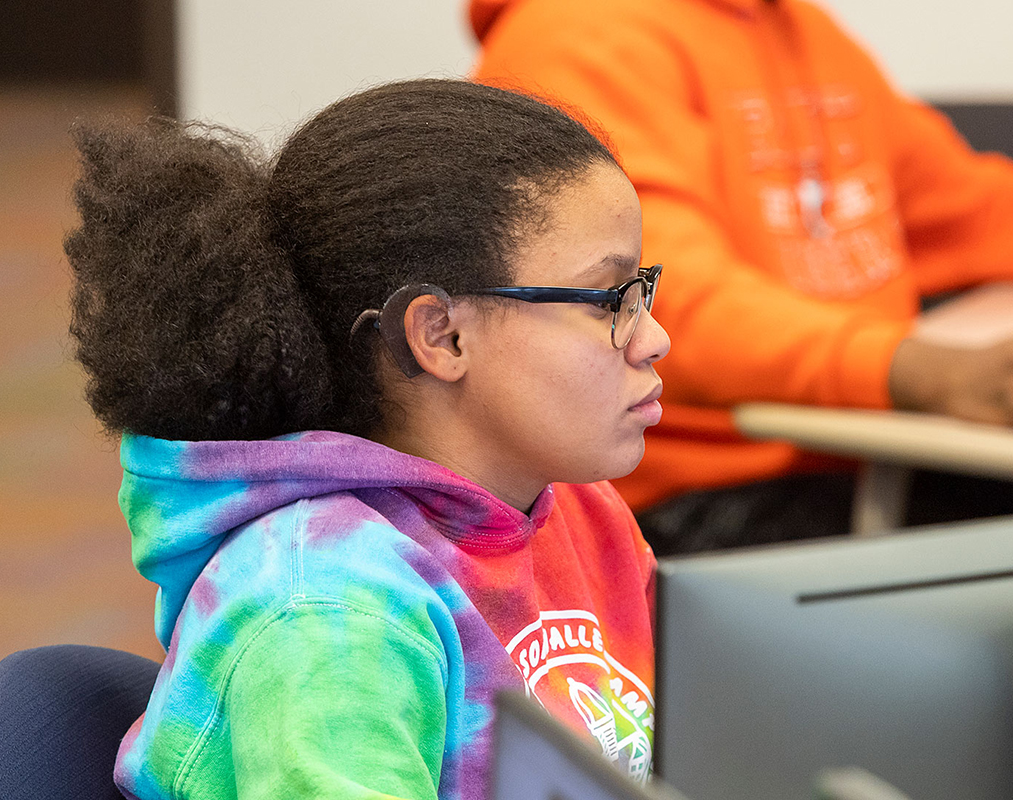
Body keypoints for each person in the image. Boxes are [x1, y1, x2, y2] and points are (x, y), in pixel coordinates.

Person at [64, 79, 668, 800]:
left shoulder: (582, 516)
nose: (653, 339)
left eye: (643, 290)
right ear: (440, 336)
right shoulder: (325, 610)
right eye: (610, 300)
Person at [470, 0, 1013, 551]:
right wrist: (921, 372)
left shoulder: (803, 31)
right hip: (698, 497)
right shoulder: (575, 36)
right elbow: (653, 309)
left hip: (868, 454)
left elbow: (977, 213)